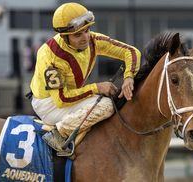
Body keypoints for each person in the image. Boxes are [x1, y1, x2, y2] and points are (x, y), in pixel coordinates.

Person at [30, 2, 141, 156]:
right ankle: (58, 134)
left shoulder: (93, 40)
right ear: (64, 36)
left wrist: (129, 76)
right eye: (78, 34)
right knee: (106, 106)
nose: (85, 38)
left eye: (87, 30)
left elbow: (131, 51)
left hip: (69, 96)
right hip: (49, 103)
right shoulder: (50, 56)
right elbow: (62, 99)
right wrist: (97, 87)